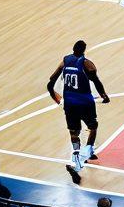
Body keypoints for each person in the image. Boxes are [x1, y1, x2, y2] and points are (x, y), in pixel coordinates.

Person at [47, 39, 111, 184]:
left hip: (69, 103)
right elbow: (96, 80)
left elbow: (51, 80)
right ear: (83, 51)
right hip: (85, 103)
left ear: (73, 49)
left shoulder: (65, 61)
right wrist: (104, 95)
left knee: (74, 132)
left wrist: (54, 94)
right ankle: (88, 152)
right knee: (93, 126)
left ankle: (76, 156)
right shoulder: (86, 64)